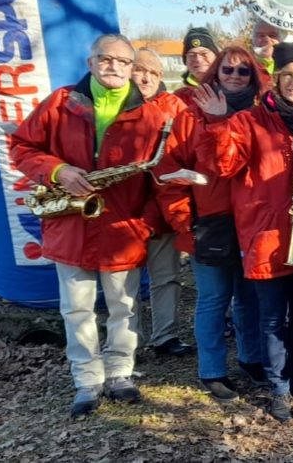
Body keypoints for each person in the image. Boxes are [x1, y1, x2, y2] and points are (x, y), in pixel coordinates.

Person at [10, 34, 167, 417]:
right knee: (76, 309)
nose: (114, 66)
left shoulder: (151, 116)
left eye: (122, 61)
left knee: (124, 307)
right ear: (90, 62)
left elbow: (156, 178)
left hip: (123, 228)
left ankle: (120, 373)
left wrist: (144, 224)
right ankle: (86, 380)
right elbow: (21, 146)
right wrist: (58, 171)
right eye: (105, 58)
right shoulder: (60, 103)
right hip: (72, 222)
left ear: (133, 69)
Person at [195, 42, 293, 421]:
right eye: (287, 74)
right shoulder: (249, 121)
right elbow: (222, 166)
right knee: (271, 318)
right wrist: (218, 123)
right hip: (267, 236)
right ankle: (278, 387)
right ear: (274, 80)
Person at [154, 46, 271, 401]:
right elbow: (169, 175)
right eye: (227, 70)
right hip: (209, 224)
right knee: (213, 298)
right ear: (215, 74)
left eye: (243, 71)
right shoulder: (191, 116)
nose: (235, 76)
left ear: (254, 76)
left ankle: (251, 359)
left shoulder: (262, 116)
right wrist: (184, 223)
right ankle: (212, 370)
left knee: (249, 298)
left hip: (251, 223)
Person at [131, 48, 193, 358]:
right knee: (125, 281)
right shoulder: (115, 103)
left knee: (166, 275)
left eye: (153, 72)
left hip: (163, 206)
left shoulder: (175, 108)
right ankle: (129, 341)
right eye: (139, 70)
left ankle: (165, 335)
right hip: (124, 209)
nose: (145, 77)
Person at [177, 27, 220, 95]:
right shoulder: (179, 97)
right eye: (191, 55)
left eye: (204, 53)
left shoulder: (231, 88)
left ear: (216, 56)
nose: (198, 60)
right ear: (185, 61)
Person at [251, 20, 282, 94]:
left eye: (272, 35)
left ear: (280, 39)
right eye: (260, 35)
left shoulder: (289, 65)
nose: (267, 40)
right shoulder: (243, 68)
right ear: (253, 40)